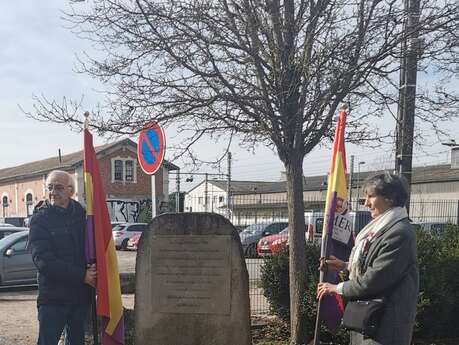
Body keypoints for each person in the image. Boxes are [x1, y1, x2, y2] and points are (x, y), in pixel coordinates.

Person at [317, 172, 419, 345]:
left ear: (390, 198)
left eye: (371, 196)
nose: (366, 203)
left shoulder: (399, 233)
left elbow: (375, 279)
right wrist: (345, 266)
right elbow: (375, 265)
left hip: (384, 325)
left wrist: (335, 288)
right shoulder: (381, 229)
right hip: (368, 319)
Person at [29, 170, 96, 345]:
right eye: (49, 187)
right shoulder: (39, 220)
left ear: (71, 191)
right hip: (53, 299)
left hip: (80, 297)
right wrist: (82, 275)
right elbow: (44, 262)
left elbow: (91, 248)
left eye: (58, 188)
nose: (52, 192)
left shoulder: (83, 216)